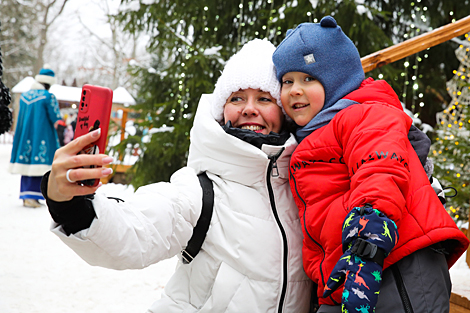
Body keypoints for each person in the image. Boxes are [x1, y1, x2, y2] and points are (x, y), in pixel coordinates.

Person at [41, 39, 312, 312]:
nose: (249, 108)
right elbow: (137, 230)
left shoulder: (308, 188)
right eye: (237, 98)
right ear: (221, 109)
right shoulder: (200, 190)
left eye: (264, 99)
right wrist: (69, 203)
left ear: (284, 112)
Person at [272, 16, 469, 313]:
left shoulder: (363, 113)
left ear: (337, 78)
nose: (295, 90)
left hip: (394, 265)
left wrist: (369, 238)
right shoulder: (309, 138)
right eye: (287, 81)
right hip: (349, 274)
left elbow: (380, 168)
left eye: (308, 78)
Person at [9, 66, 61, 208]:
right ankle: (33, 196)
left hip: (25, 134)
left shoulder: (25, 96)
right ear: (48, 83)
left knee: (27, 163)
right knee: (40, 163)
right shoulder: (48, 97)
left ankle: (26, 195)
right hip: (41, 133)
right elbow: (55, 116)